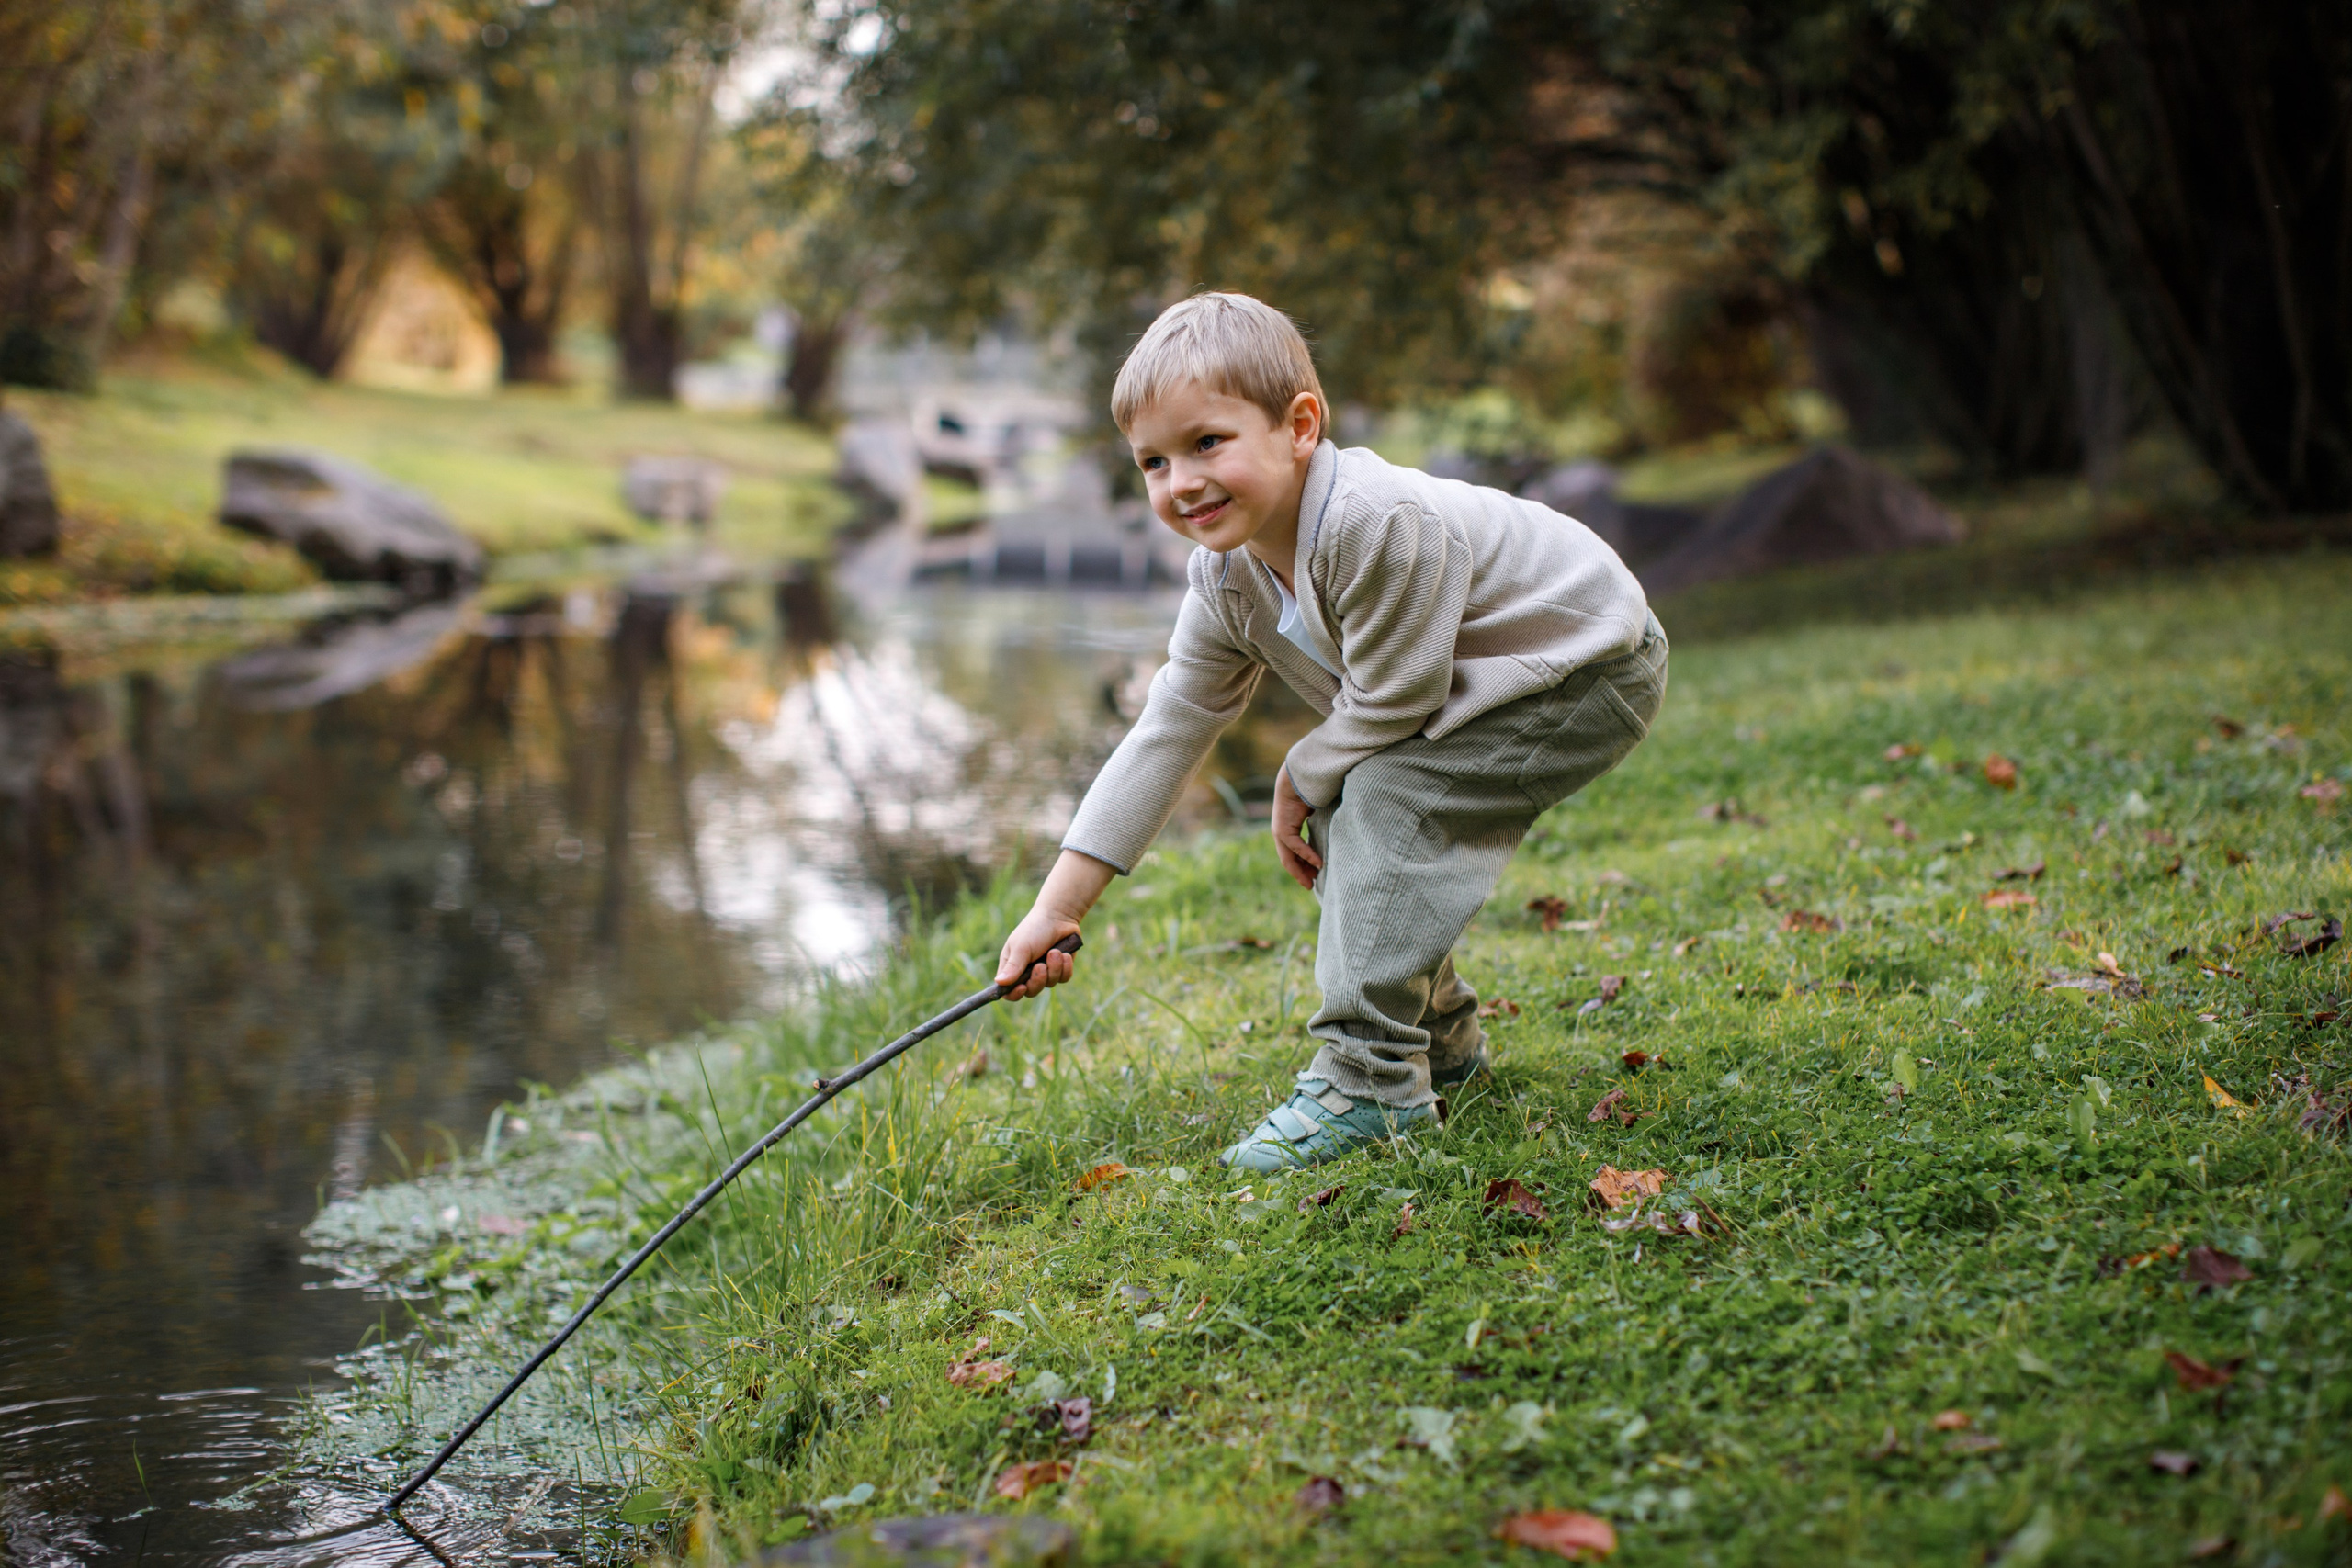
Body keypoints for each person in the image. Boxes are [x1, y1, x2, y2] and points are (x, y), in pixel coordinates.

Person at [993, 291, 1667, 1170]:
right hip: (1490, 688)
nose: (1181, 481)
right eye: (1152, 462)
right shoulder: (1228, 578)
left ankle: (1369, 1083)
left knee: (1388, 794)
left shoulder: (1373, 521)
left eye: (1207, 442)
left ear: (1300, 425)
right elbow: (1168, 727)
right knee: (1367, 802)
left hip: (1587, 666)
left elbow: (1401, 695)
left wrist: (1302, 772)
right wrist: (1057, 906)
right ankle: (1441, 1045)